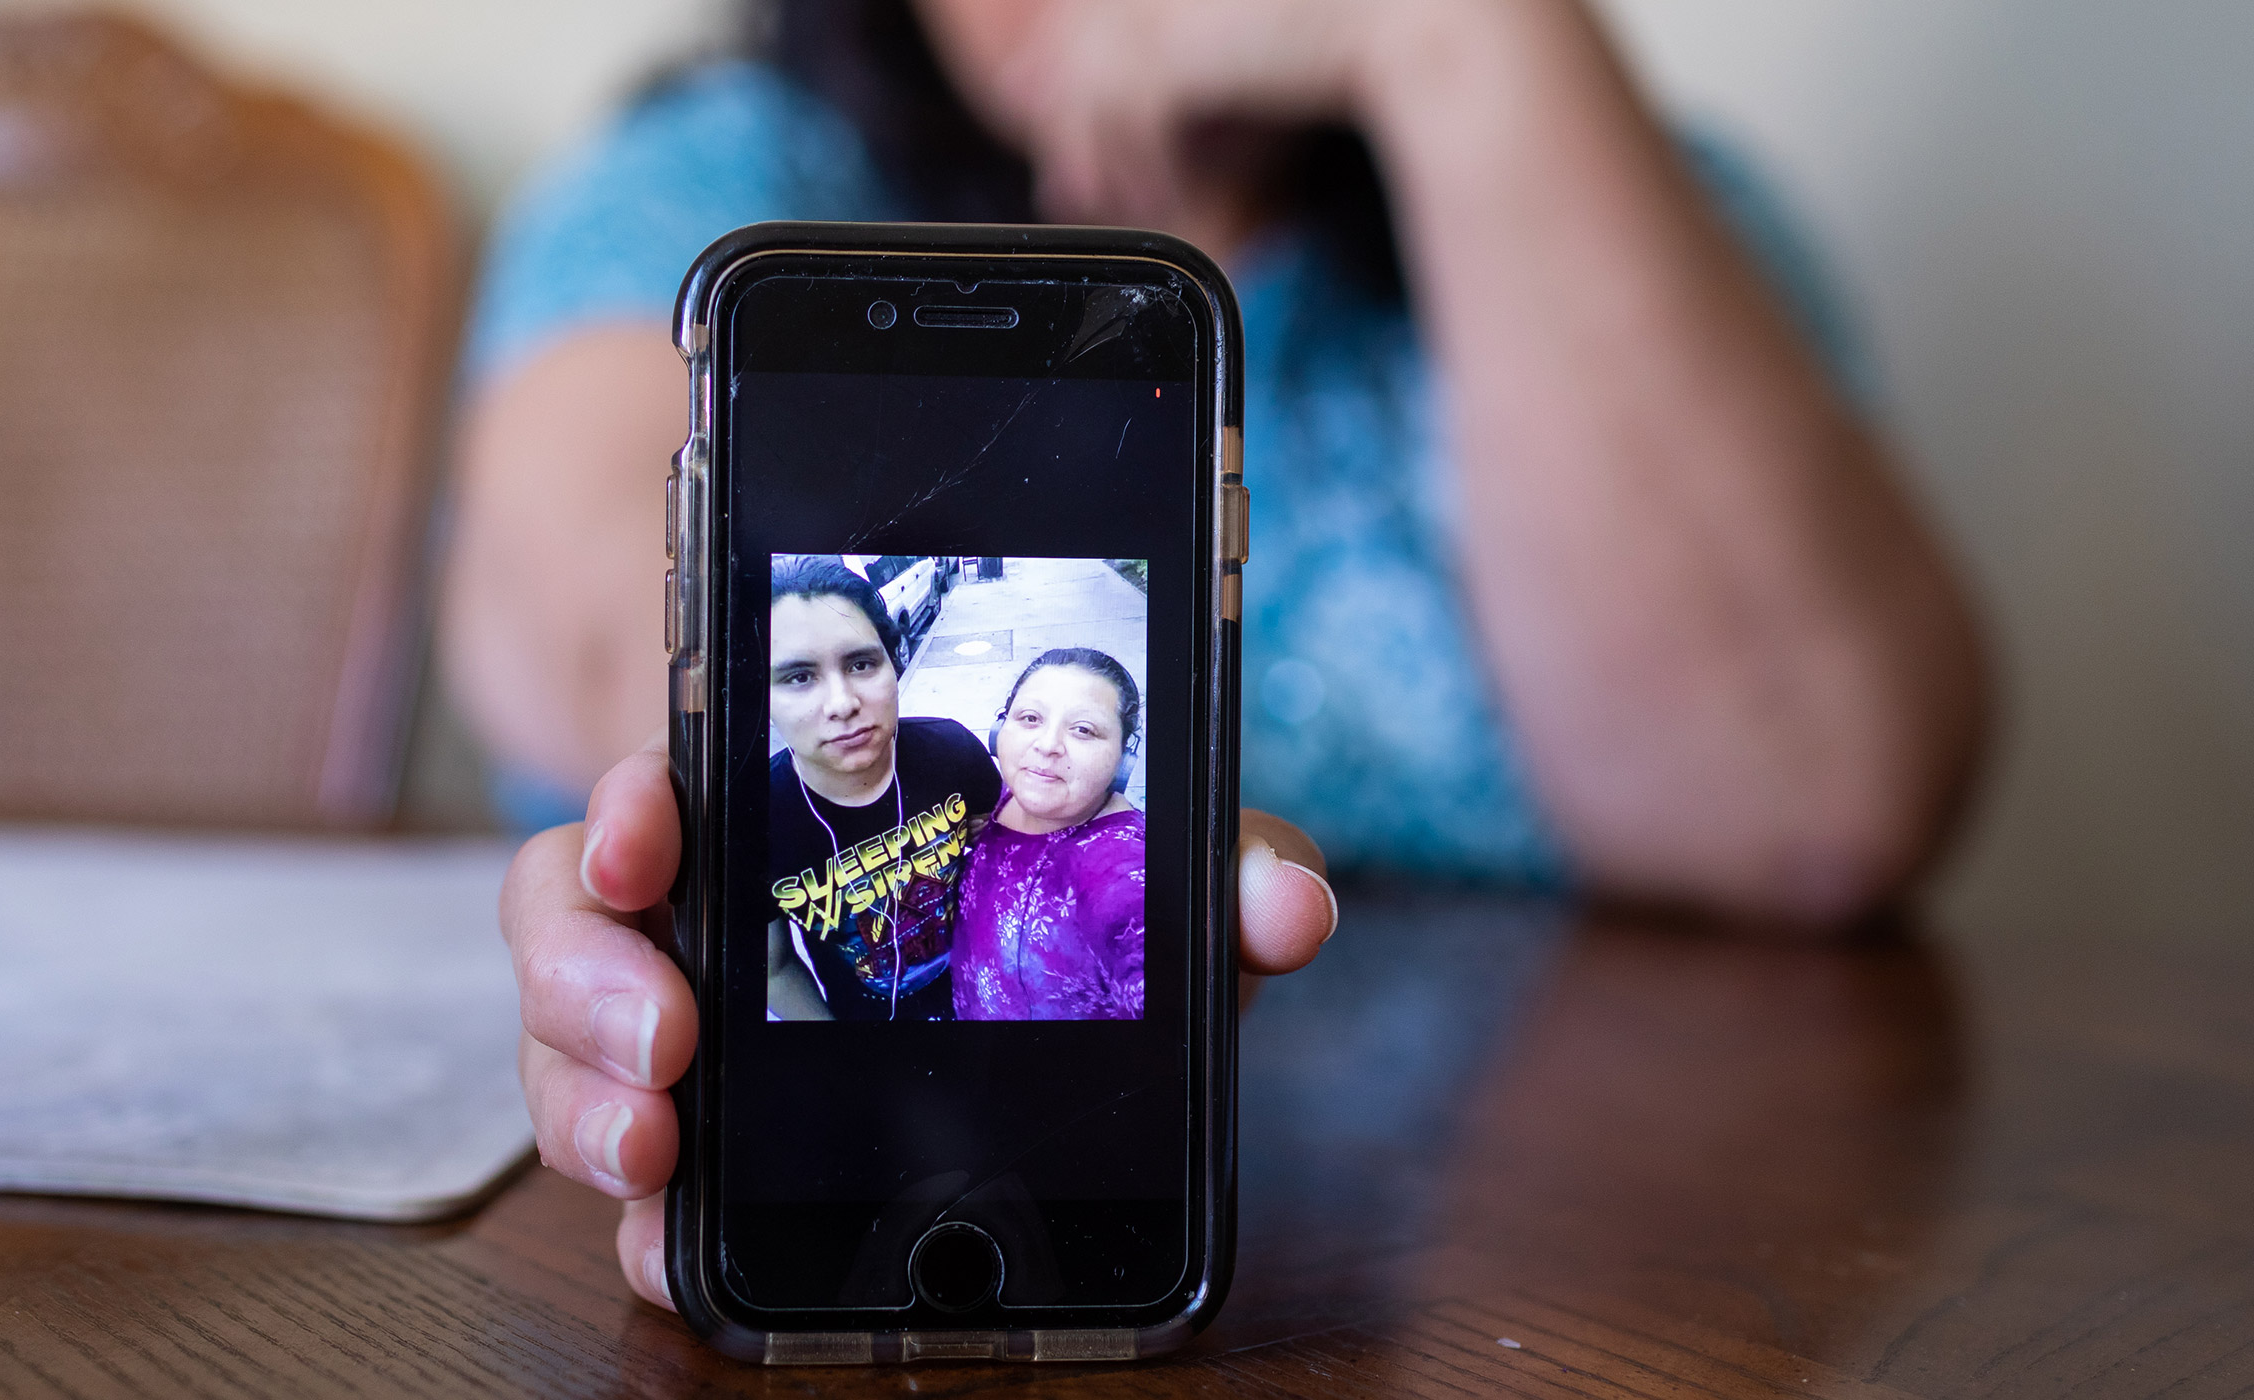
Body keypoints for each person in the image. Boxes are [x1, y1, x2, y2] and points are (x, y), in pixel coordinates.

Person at [478, 0, 1990, 1311]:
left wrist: (1457, 41)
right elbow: (604, 636)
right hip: (862, 1146)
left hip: (1580, 1228)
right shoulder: (729, 177)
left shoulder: (1623, 188)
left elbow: (1819, 794)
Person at [763, 555, 1002, 1020]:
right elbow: (774, 969)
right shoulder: (753, 820)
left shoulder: (953, 752)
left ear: (893, 665)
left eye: (861, 664)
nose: (842, 703)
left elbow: (1016, 862)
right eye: (799, 677)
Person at [952, 649, 1148, 1021]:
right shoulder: (1006, 797)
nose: (1046, 744)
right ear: (999, 731)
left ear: (1124, 759)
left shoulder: (1117, 862)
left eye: (1083, 730)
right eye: (1030, 718)